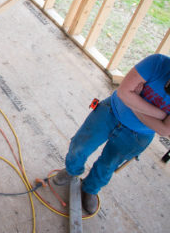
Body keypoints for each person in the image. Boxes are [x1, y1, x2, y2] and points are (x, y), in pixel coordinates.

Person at [53, 54, 170, 214]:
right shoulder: (157, 63)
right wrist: (162, 115)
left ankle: (90, 189)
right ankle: (72, 171)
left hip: (138, 135)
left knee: (108, 165)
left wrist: (134, 104)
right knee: (79, 146)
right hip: (111, 111)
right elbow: (123, 92)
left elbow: (165, 131)